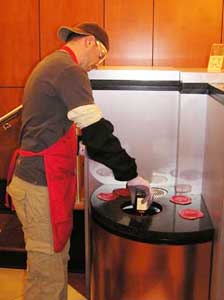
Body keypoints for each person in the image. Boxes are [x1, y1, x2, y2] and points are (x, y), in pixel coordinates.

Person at [6, 22, 153, 300]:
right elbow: (96, 131)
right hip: (40, 184)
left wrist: (96, 146)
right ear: (88, 41)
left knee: (55, 262)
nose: (96, 65)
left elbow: (82, 128)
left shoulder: (54, 64)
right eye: (100, 57)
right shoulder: (69, 70)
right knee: (46, 274)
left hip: (41, 181)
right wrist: (131, 174)